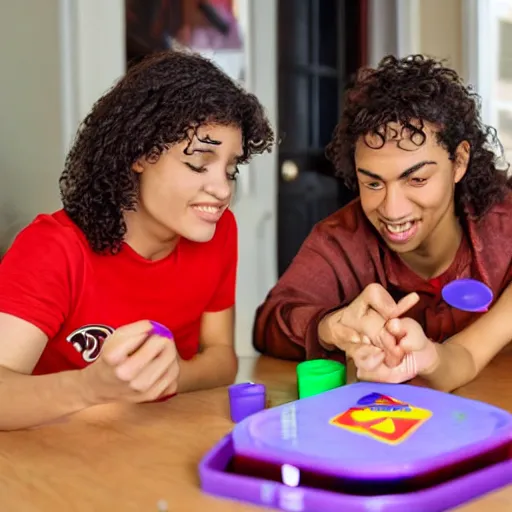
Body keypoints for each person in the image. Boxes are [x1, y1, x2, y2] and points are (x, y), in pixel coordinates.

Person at [0, 50, 274, 430]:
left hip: (145, 445)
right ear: (139, 154)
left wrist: (174, 375)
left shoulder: (218, 232)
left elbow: (221, 356)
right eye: (198, 164)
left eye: (230, 169)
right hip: (48, 461)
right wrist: (91, 387)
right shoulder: (53, 248)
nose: (221, 189)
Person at [253, 55, 512, 393]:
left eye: (417, 179)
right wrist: (332, 326)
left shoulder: (503, 226)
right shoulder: (340, 239)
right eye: (373, 183)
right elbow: (271, 323)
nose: (392, 209)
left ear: (459, 161)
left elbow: (462, 357)